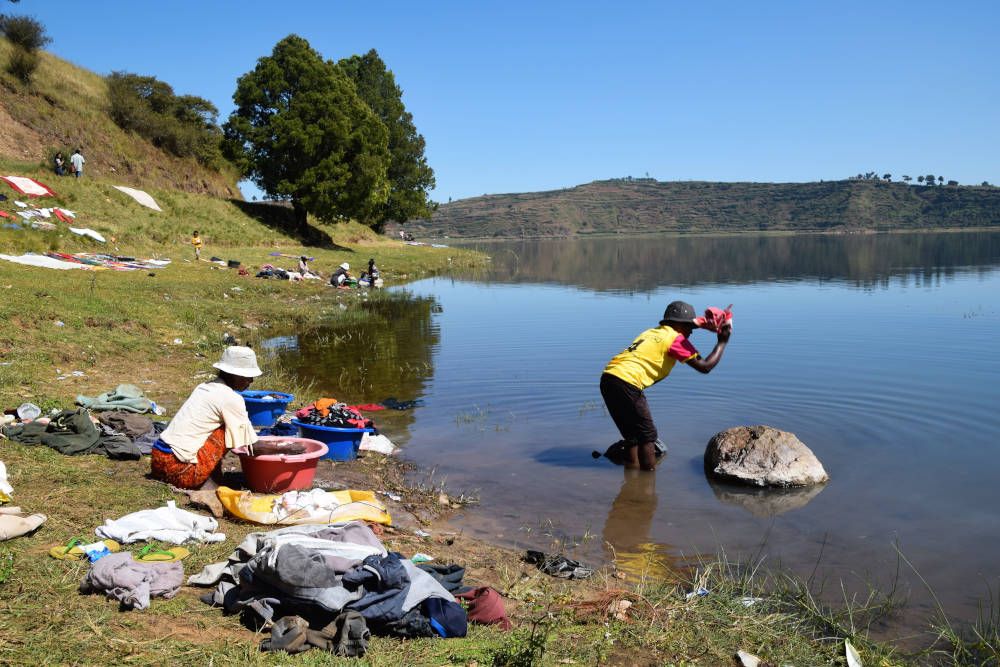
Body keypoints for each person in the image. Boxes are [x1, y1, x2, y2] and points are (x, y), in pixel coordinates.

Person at [600, 300, 731, 471]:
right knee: (648, 436)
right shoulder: (675, 339)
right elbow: (705, 366)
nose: (690, 332)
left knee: (632, 437)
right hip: (627, 381)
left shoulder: (651, 332)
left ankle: (633, 481)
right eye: (688, 327)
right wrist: (722, 342)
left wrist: (705, 324)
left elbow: (685, 324)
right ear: (678, 325)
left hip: (609, 378)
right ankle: (648, 480)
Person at [150, 347, 260, 508]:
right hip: (180, 470)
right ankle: (208, 481)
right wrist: (285, 452)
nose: (251, 381)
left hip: (158, 462)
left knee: (225, 427)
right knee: (228, 431)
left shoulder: (205, 386)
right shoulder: (231, 398)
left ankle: (208, 475)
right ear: (234, 374)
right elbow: (251, 443)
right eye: (248, 376)